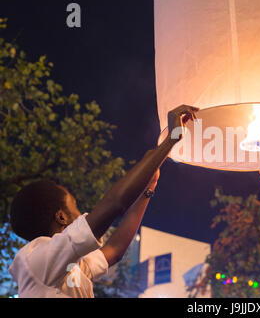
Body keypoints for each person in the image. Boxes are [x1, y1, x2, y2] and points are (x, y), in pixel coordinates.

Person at [8, 104, 199, 298]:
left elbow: (114, 250)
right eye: (74, 204)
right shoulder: (36, 260)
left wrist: (147, 188)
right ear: (61, 216)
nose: (83, 213)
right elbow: (114, 203)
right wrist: (169, 141)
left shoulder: (68, 265)